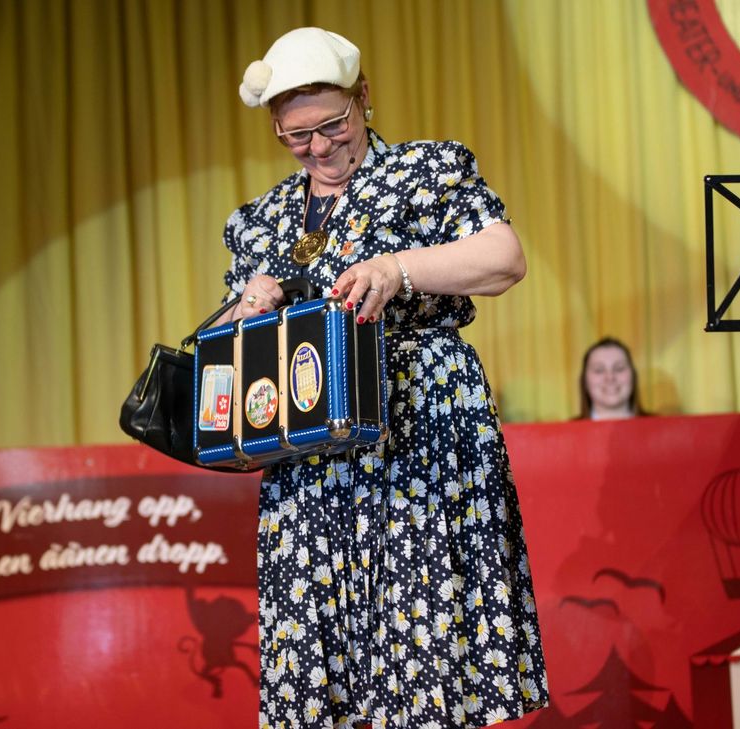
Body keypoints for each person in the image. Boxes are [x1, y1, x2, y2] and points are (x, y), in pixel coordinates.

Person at [217, 27, 548, 729]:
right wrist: (245, 307)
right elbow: (226, 345)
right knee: (318, 658)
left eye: (333, 125)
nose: (319, 147)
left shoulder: (429, 171)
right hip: (311, 460)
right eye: (296, 135)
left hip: (418, 428)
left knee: (423, 637)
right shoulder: (260, 222)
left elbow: (504, 258)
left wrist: (398, 269)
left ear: (363, 97)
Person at [577, 337, 646, 420]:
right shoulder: (567, 428)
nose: (610, 377)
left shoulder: (659, 426)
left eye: (619, 369)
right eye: (599, 370)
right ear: (585, 380)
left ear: (633, 376)